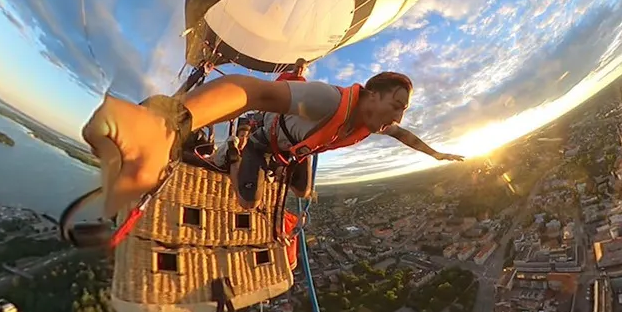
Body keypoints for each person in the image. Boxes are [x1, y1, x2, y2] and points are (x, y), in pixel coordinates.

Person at [82, 71, 463, 217]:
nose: (397, 118)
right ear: (372, 95)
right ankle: (232, 155)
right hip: (265, 142)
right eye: (396, 106)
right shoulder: (326, 100)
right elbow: (254, 92)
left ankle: (256, 162)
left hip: (296, 151)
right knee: (248, 200)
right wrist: (171, 121)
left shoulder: (370, 122)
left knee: (303, 191)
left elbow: (403, 135)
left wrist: (435, 154)